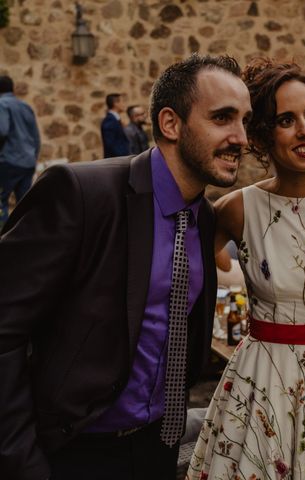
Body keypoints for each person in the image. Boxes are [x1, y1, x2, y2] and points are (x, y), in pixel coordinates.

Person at [0, 54, 252, 480]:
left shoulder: (205, 217)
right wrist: (21, 461)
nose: (241, 137)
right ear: (171, 124)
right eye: (223, 118)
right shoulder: (82, 193)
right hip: (73, 452)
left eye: (245, 120)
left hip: (157, 447)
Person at [187, 59, 305, 479]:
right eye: (286, 120)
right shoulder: (235, 209)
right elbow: (183, 275)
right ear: (261, 137)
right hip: (263, 381)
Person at [0, 75, 40, 226]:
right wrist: (33, 156)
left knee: (1, 202)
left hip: (7, 161)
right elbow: (36, 137)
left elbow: (2, 130)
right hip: (27, 162)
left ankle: (2, 242)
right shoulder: (25, 106)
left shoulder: (2, 104)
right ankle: (25, 240)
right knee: (24, 205)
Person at [101, 92, 131, 158]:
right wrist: (124, 157)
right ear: (115, 104)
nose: (124, 104)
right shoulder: (109, 120)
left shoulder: (115, 119)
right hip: (117, 160)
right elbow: (111, 144)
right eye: (122, 101)